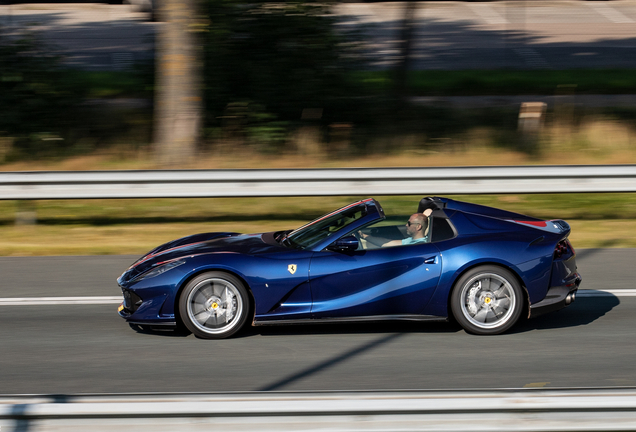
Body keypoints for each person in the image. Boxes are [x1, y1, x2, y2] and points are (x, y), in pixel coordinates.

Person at [360, 208, 432, 248]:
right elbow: (387, 243)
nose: (406, 225)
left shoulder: (420, 245)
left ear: (418, 226)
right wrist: (363, 235)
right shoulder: (410, 240)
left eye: (409, 223)